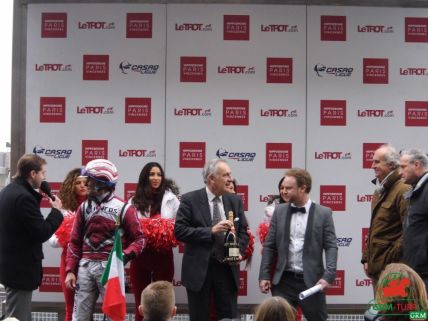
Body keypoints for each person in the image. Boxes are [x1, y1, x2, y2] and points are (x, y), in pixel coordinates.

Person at [64, 159, 145, 320]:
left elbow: (140, 239)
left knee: (113, 316)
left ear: (103, 182)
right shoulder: (84, 207)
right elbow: (74, 241)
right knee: (79, 317)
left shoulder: (123, 208)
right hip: (85, 266)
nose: (87, 184)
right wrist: (70, 270)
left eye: (90, 180)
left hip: (110, 268)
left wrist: (124, 256)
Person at [174, 158, 249, 321]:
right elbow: (179, 231)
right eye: (226, 175)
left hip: (227, 270)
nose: (230, 179)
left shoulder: (235, 200)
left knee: (228, 316)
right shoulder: (189, 199)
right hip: (199, 271)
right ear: (211, 179)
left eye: (230, 174)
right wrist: (210, 231)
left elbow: (243, 231)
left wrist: (238, 251)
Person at [259, 168, 338, 321]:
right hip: (283, 281)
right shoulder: (279, 211)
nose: (283, 191)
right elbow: (269, 246)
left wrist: (329, 275)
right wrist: (264, 275)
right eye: (282, 188)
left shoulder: (324, 213)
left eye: (288, 188)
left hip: (312, 282)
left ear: (303, 188)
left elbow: (331, 246)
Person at [0, 154, 63, 321]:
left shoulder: (8, 191)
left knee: (17, 316)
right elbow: (41, 232)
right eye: (43, 173)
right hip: (19, 270)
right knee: (17, 318)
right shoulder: (23, 198)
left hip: (12, 268)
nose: (45, 177)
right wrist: (56, 212)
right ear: (33, 174)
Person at [129, 162, 180, 321]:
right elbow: (127, 227)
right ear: (145, 177)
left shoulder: (172, 200)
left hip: (163, 255)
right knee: (140, 301)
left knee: (164, 301)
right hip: (140, 255)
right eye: (152, 174)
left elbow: (180, 226)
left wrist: (166, 230)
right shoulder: (133, 201)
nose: (156, 178)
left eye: (159, 174)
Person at [362, 144, 410, 286]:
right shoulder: (379, 191)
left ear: (390, 164)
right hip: (378, 267)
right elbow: (374, 228)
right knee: (383, 308)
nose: (372, 166)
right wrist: (367, 258)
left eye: (377, 162)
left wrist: (390, 259)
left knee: (394, 308)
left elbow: (408, 231)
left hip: (394, 270)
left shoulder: (403, 189)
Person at [49, 168, 88, 321]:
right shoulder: (63, 207)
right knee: (70, 307)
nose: (82, 186)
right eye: (78, 183)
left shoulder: (97, 205)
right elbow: (52, 241)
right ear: (70, 185)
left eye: (86, 183)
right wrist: (68, 235)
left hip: (90, 261)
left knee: (87, 307)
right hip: (67, 262)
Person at [399, 149, 428, 289]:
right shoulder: (417, 189)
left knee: (421, 311)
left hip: (425, 273)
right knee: (417, 311)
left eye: (403, 167)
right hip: (417, 270)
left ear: (416, 165)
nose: (400, 172)